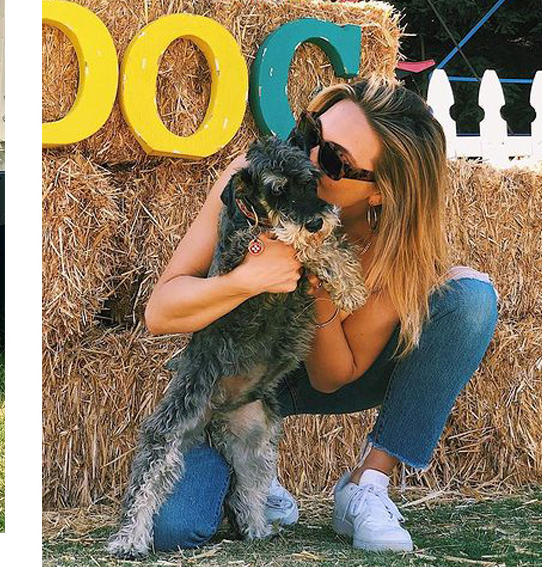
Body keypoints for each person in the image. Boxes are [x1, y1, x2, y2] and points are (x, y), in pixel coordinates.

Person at [144, 77, 498, 553]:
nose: (308, 158)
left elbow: (332, 377)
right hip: (235, 378)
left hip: (310, 372)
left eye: (333, 160)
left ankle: (367, 484)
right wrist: (246, 280)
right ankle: (253, 472)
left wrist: (318, 284)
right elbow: (161, 312)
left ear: (380, 192)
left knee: (470, 299)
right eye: (310, 134)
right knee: (174, 529)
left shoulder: (392, 247)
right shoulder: (254, 179)